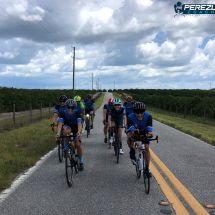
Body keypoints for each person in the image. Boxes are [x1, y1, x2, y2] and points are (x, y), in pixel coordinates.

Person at [55, 99, 84, 171]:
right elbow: (60, 124)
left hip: (76, 128)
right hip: (68, 126)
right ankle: (66, 148)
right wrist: (58, 133)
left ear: (74, 108)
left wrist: (79, 132)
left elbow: (79, 124)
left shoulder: (77, 113)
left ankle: (81, 162)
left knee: (78, 144)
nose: (70, 109)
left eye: (72, 108)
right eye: (68, 108)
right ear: (66, 107)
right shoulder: (63, 113)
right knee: (66, 132)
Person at [126, 102, 153, 178]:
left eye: (141, 112)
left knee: (146, 147)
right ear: (134, 112)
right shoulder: (130, 117)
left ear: (144, 112)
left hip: (144, 130)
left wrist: (149, 134)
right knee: (131, 136)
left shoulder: (148, 117)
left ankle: (147, 168)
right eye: (137, 112)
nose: (139, 114)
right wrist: (135, 132)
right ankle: (132, 149)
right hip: (133, 130)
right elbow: (132, 131)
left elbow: (149, 130)